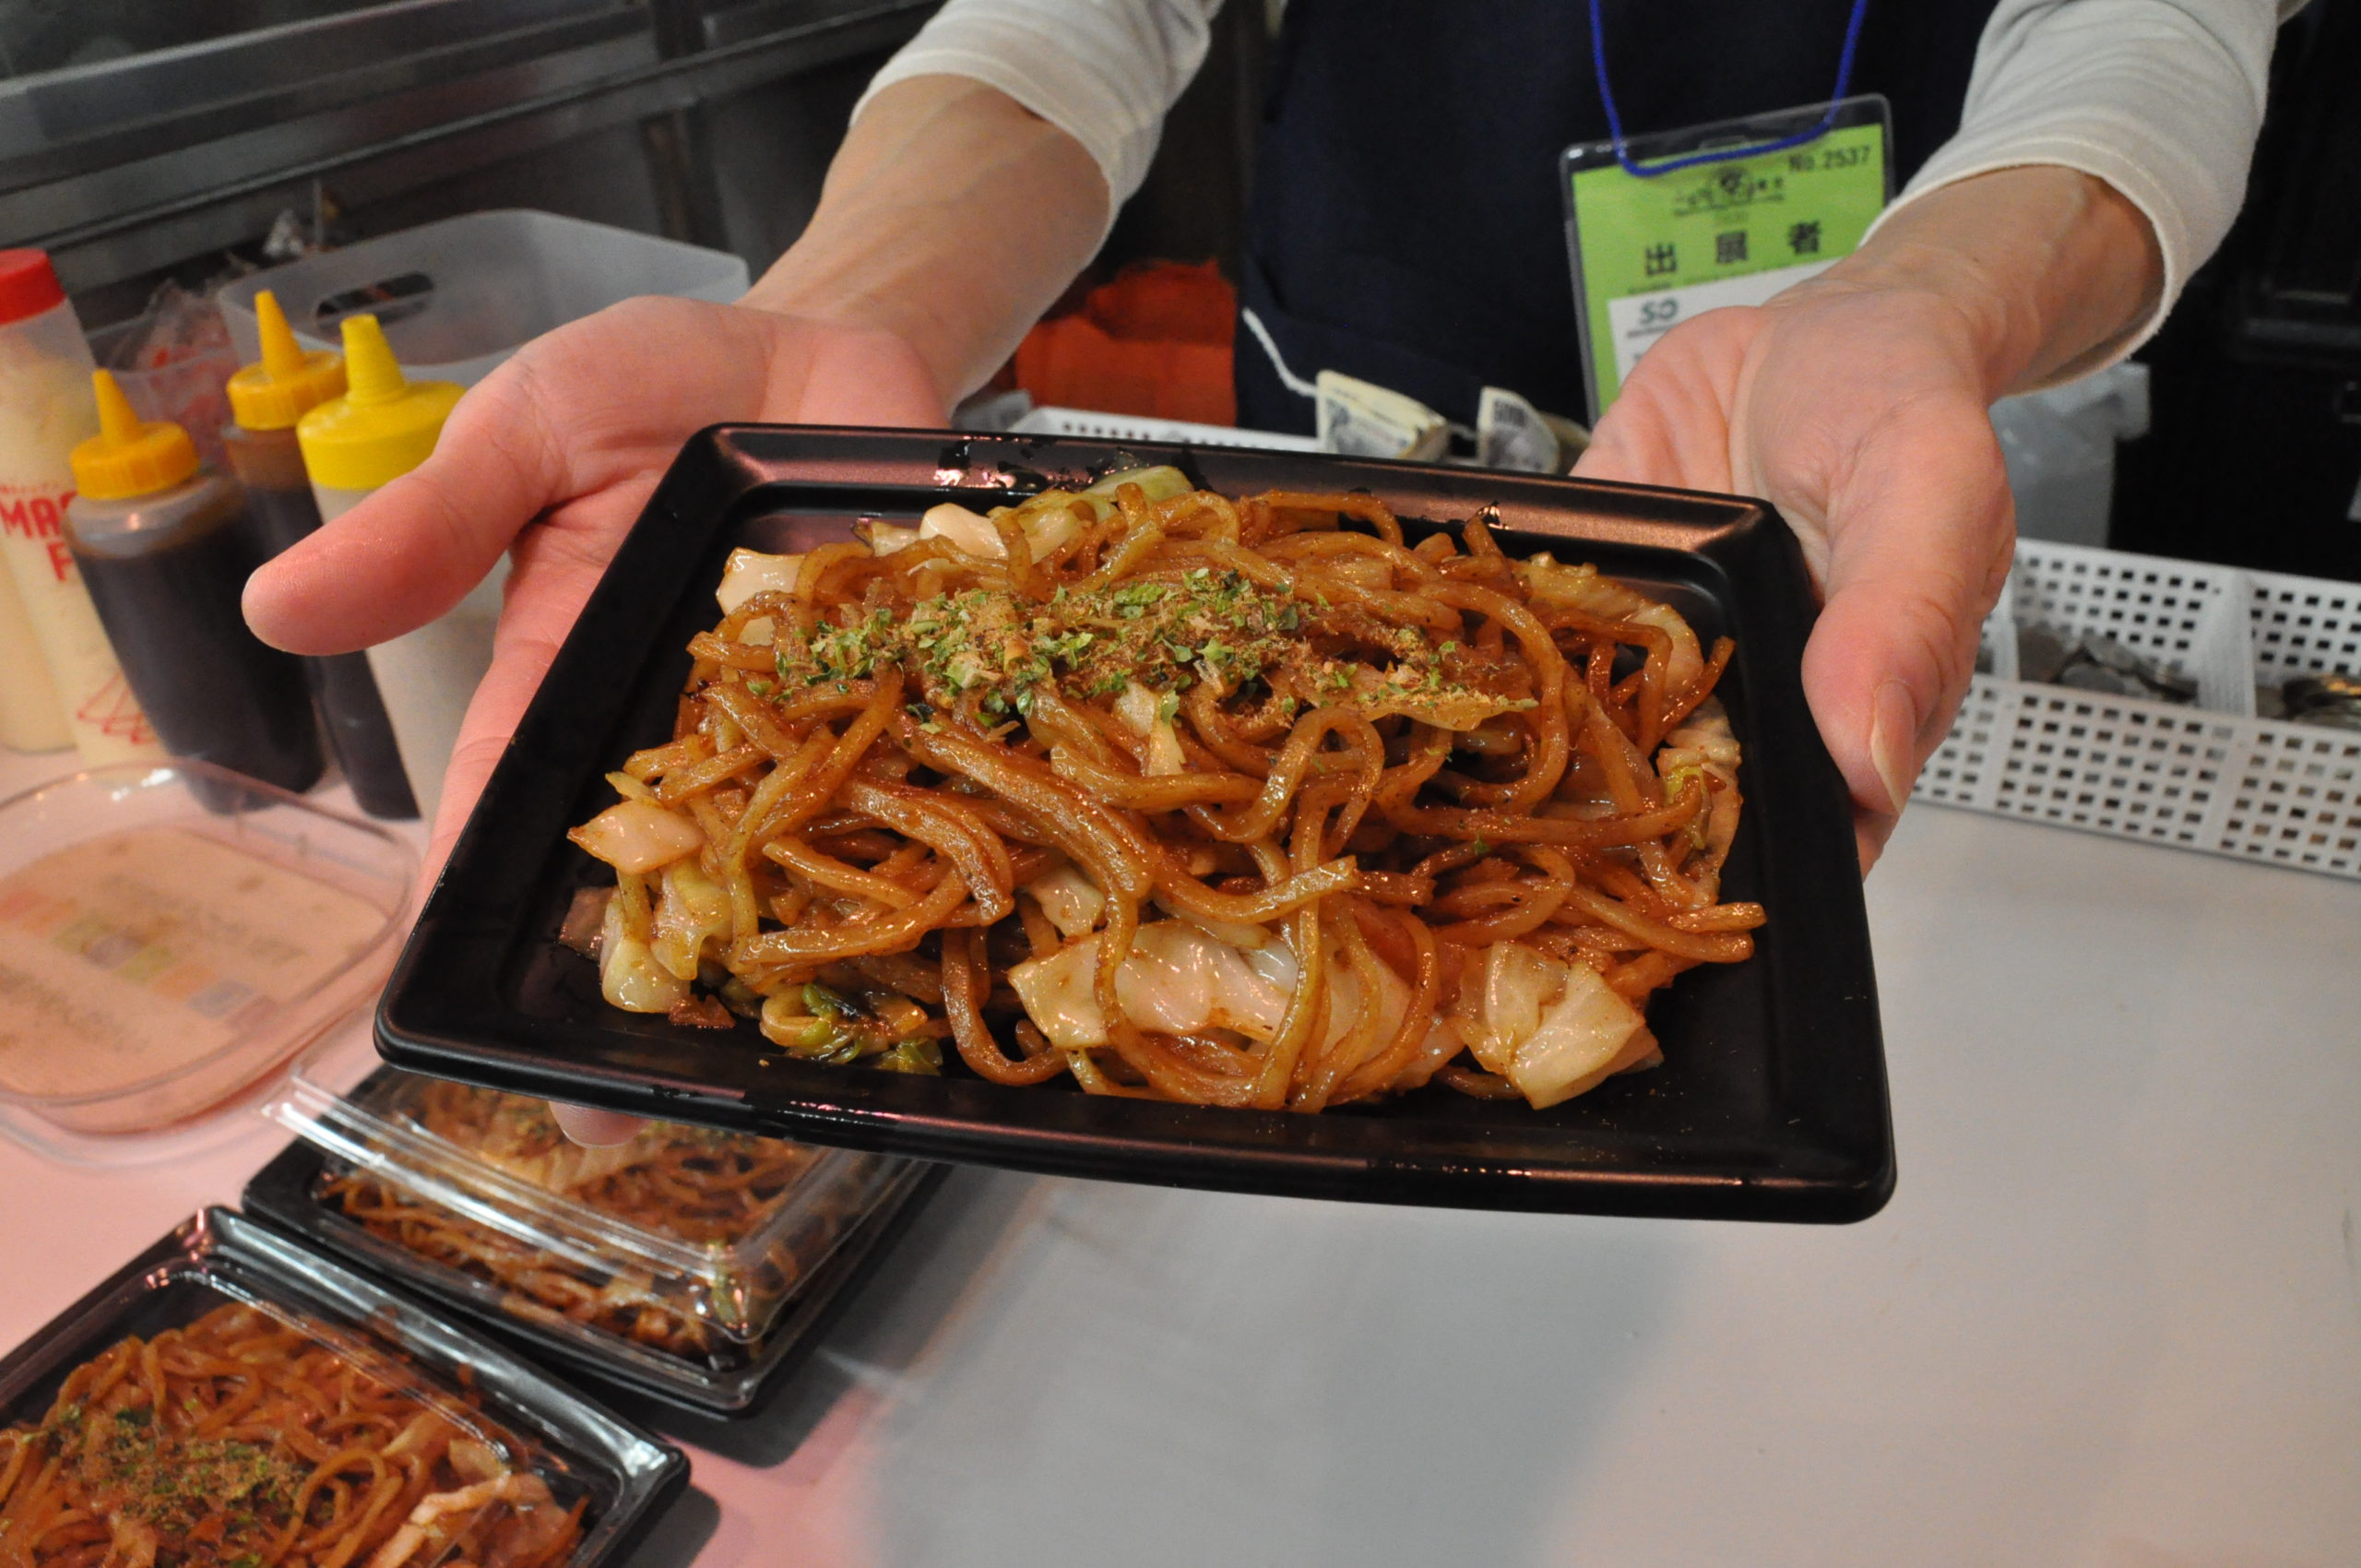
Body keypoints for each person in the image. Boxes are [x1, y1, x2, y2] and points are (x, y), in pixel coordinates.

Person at [243, 1, 2287, 1141]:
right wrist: (847, 305)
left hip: (1865, 445)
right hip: (1364, 424)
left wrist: (1928, 298)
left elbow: (2156, 31)